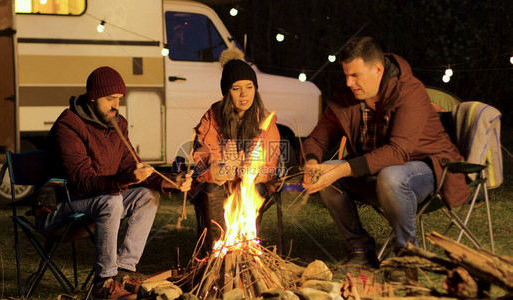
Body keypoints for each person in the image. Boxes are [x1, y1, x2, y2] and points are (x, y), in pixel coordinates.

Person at [302, 36, 470, 269]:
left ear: (378, 70)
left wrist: (343, 169)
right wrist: (311, 163)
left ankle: (407, 257)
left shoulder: (409, 92)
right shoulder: (348, 97)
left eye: (355, 75)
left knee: (390, 176)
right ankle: (360, 250)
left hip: (428, 168)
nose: (349, 83)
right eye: (346, 75)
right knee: (328, 174)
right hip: (376, 172)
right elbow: (317, 139)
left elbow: (397, 152)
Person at [38, 66, 192, 300]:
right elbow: (83, 180)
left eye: (118, 99)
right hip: (62, 205)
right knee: (111, 200)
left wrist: (170, 182)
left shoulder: (117, 124)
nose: (115, 105)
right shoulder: (68, 126)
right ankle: (104, 283)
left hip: (97, 199)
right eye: (110, 99)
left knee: (147, 196)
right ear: (92, 97)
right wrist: (124, 180)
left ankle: (123, 272)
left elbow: (132, 163)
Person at [193, 48, 281, 251]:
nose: (244, 95)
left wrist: (252, 172)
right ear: (226, 92)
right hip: (220, 181)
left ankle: (246, 250)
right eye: (236, 88)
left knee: (251, 190)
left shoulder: (265, 120)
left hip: (251, 182)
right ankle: (218, 252)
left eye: (249, 87)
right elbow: (205, 156)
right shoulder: (213, 118)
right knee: (211, 190)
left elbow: (270, 165)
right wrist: (222, 168)